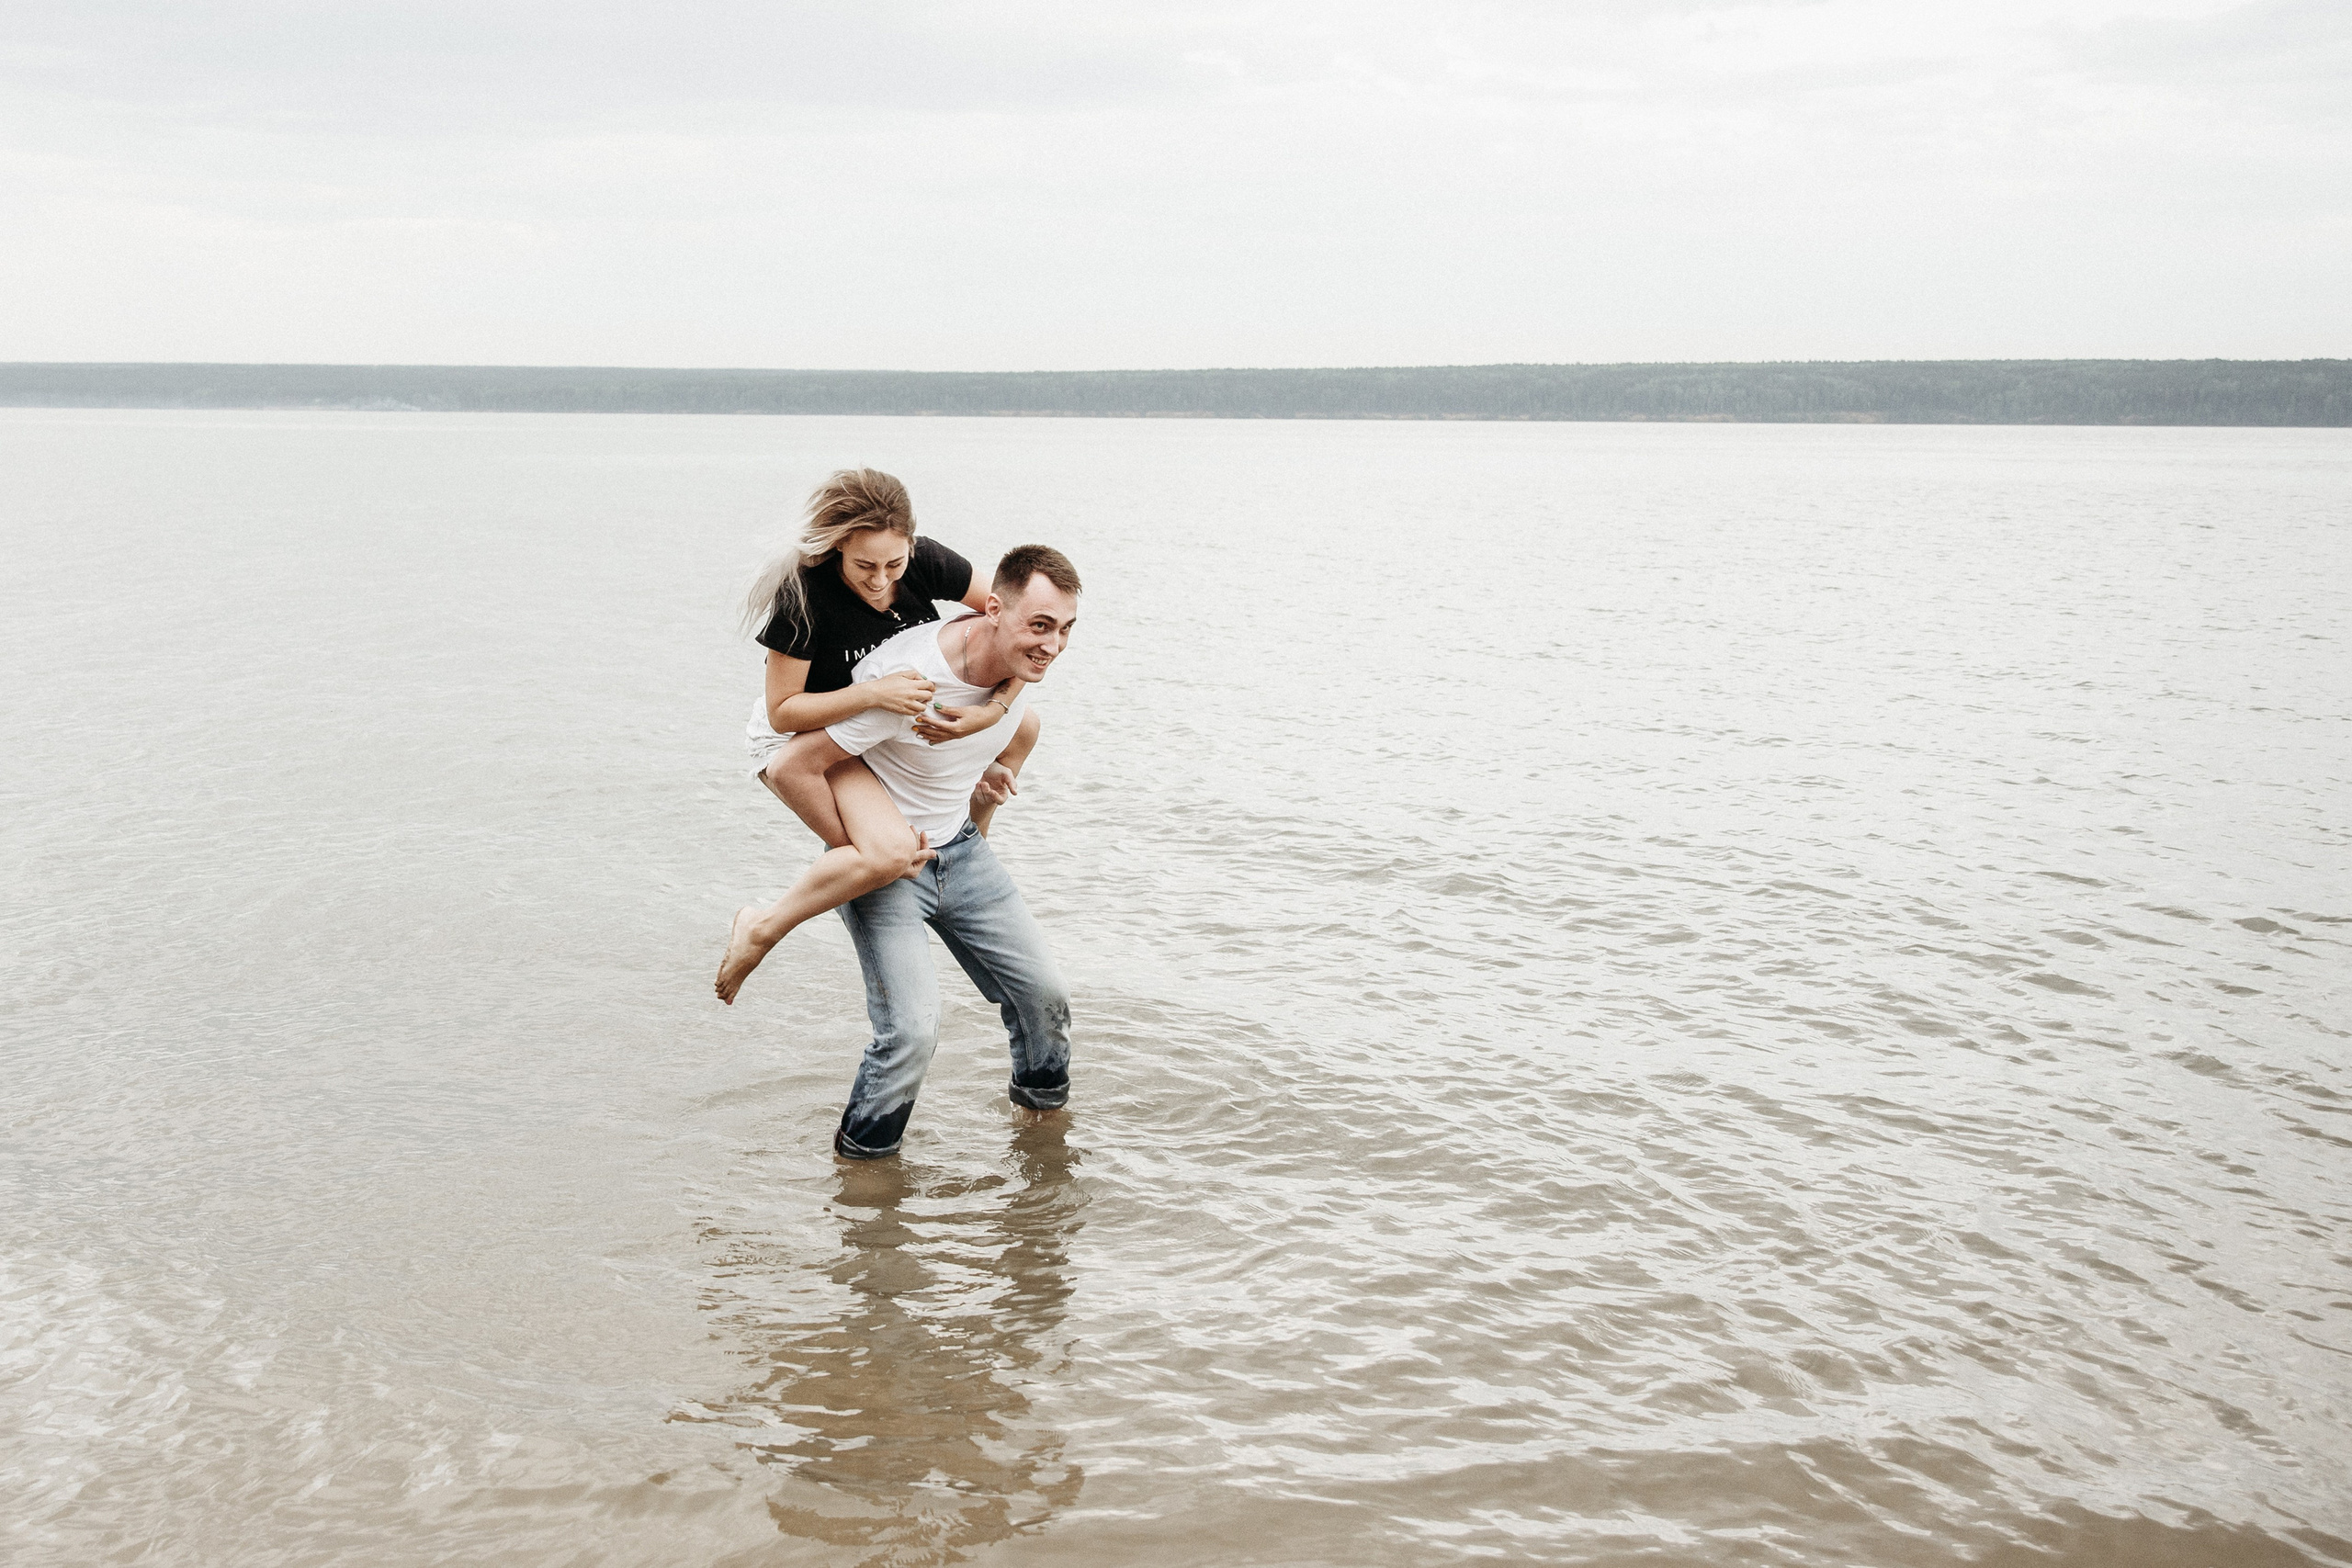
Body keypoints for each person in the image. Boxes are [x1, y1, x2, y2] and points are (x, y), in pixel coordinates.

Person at [760, 545, 1081, 1159]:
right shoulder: (912, 681)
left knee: (1046, 997)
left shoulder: (1016, 708)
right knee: (910, 1032)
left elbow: (994, 777)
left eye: (1066, 629)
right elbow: (792, 763)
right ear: (993, 610)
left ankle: (1044, 1138)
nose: (1053, 645)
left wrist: (982, 784)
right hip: (886, 862)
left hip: (958, 853)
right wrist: (854, 851)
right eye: (1039, 625)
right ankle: (864, 1169)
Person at [717, 469, 1041, 1004]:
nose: (880, 580)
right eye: (864, 565)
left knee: (1025, 725)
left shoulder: (927, 561)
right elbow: (783, 712)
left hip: (876, 731)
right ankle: (762, 927)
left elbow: (1012, 622)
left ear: (912, 546)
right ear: (837, 547)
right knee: (882, 857)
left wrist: (994, 711)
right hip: (811, 739)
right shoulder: (804, 595)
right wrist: (874, 694)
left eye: (894, 564)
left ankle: (973, 818)